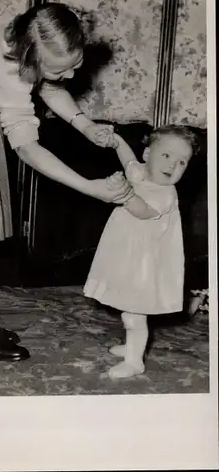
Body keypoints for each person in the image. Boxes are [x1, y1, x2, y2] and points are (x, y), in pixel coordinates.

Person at [0, 2, 133, 362]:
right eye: (65, 67)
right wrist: (89, 187)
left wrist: (84, 124)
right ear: (30, 58)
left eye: (76, 62)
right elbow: (29, 149)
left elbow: (48, 83)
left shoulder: (31, 33)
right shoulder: (12, 70)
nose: (74, 72)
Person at [84, 125, 199, 379]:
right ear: (147, 155)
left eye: (182, 161)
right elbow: (126, 158)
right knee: (128, 307)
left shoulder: (165, 194)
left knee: (135, 313)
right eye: (166, 155)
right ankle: (132, 345)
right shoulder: (140, 172)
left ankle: (135, 361)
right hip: (127, 255)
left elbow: (142, 210)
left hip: (146, 265)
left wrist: (124, 193)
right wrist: (115, 140)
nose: (173, 165)